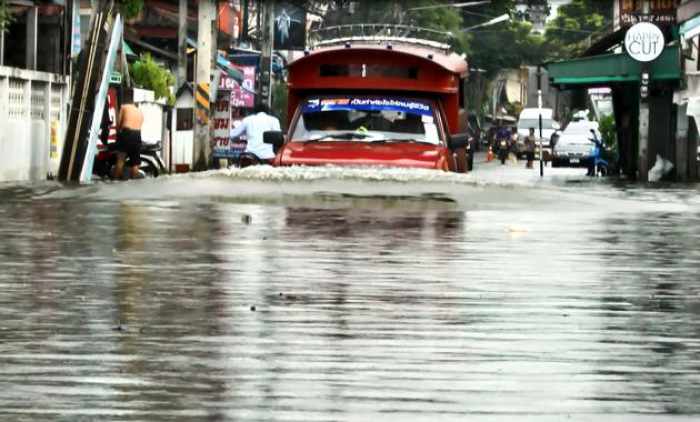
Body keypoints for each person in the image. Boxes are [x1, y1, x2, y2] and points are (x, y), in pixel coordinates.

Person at [113, 89, 144, 179]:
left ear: (124, 98)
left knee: (120, 160)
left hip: (127, 133)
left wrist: (118, 133)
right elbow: (141, 123)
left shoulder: (124, 107)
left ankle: (115, 182)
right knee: (135, 163)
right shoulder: (139, 111)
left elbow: (118, 123)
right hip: (137, 135)